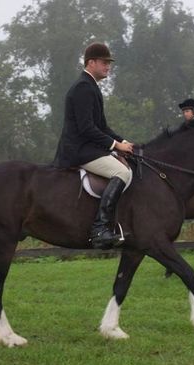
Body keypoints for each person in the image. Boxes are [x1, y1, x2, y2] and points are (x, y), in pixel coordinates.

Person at [53, 42, 134, 249]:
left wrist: (123, 142)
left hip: (89, 148)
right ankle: (100, 228)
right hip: (80, 151)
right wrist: (115, 145)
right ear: (91, 63)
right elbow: (87, 129)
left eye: (109, 63)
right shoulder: (83, 88)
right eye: (105, 62)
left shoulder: (90, 86)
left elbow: (102, 126)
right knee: (122, 173)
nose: (109, 66)